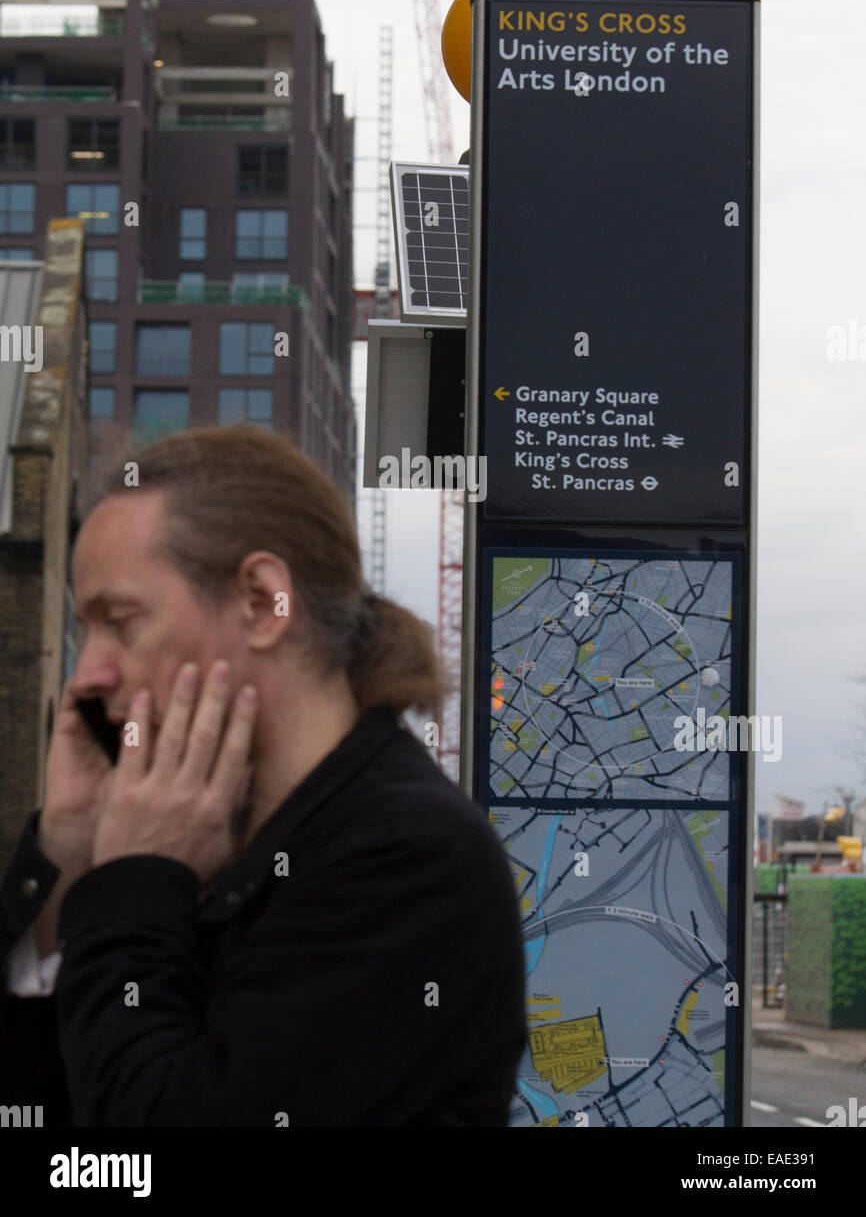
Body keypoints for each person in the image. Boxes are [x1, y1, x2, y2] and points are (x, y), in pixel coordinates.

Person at [0, 425, 527, 1126]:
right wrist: (65, 861)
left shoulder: (412, 858)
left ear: (261, 601)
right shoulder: (204, 836)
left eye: (118, 622)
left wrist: (132, 884)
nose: (89, 675)